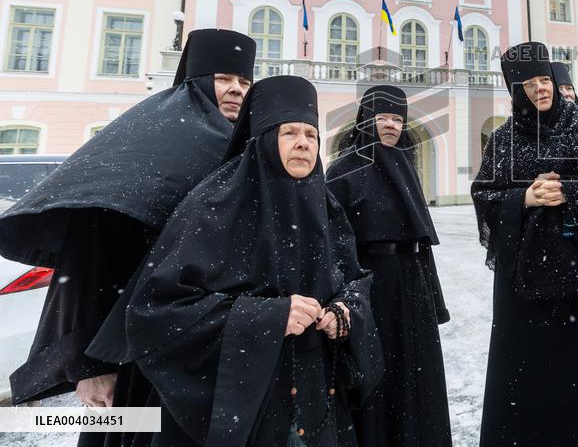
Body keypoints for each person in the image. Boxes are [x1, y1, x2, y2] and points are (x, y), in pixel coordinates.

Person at [107, 75, 382, 446]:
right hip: (244, 402)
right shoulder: (214, 206)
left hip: (317, 397)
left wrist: (346, 311)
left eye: (311, 134)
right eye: (289, 133)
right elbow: (156, 312)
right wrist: (269, 318)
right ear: (264, 140)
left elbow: (354, 279)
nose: (303, 143)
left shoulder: (326, 207)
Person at [0, 28, 255, 421]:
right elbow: (91, 256)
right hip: (134, 348)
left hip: (208, 345)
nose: (237, 89)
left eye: (244, 81)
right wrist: (90, 365)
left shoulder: (242, 146)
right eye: (224, 79)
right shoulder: (149, 142)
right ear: (197, 81)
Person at [471, 41, 578, 447]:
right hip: (526, 289)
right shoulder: (503, 140)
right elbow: (484, 196)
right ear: (516, 91)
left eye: (544, 79)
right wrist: (524, 199)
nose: (540, 89)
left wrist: (571, 191)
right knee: (535, 380)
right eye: (529, 84)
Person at [325, 84, 452, 447]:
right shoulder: (343, 170)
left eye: (398, 119)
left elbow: (420, 240)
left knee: (415, 373)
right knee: (379, 375)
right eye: (383, 117)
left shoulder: (406, 164)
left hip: (412, 285)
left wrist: (433, 298)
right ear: (366, 119)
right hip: (372, 286)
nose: (392, 125)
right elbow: (334, 241)